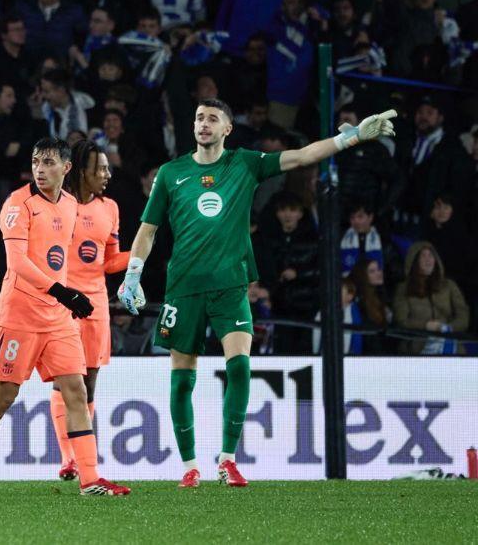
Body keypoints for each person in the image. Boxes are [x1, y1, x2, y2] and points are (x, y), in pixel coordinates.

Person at [118, 100, 396, 488]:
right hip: (183, 288)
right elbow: (147, 230)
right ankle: (189, 467)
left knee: (240, 367)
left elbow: (301, 156)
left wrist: (349, 138)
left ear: (228, 128)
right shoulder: (171, 173)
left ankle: (228, 460)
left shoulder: (244, 163)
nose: (203, 124)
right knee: (182, 378)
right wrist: (133, 274)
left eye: (212, 118)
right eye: (198, 117)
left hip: (231, 286)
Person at [0, 138, 129, 498]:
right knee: (3, 397)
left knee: (76, 390)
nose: (40, 168)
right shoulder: (17, 205)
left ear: (66, 168)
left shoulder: (70, 206)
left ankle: (90, 478)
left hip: (56, 319)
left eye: (48, 162)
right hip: (19, 316)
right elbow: (18, 263)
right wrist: (64, 292)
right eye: (36, 161)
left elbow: (74, 256)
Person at [48, 140, 129, 481]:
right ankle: (70, 458)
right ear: (83, 172)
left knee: (90, 383)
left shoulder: (110, 208)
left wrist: (138, 257)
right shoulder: (57, 206)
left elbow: (109, 261)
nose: (108, 174)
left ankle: (79, 459)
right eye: (102, 169)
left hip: (96, 306)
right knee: (65, 382)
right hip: (61, 305)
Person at [392, 241, 470, 355]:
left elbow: (463, 315)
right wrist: (425, 326)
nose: (428, 259)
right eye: (423, 256)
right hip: (416, 348)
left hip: (450, 345)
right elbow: (401, 320)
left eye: (431, 255)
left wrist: (447, 328)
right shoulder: (403, 288)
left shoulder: (449, 285)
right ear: (414, 261)